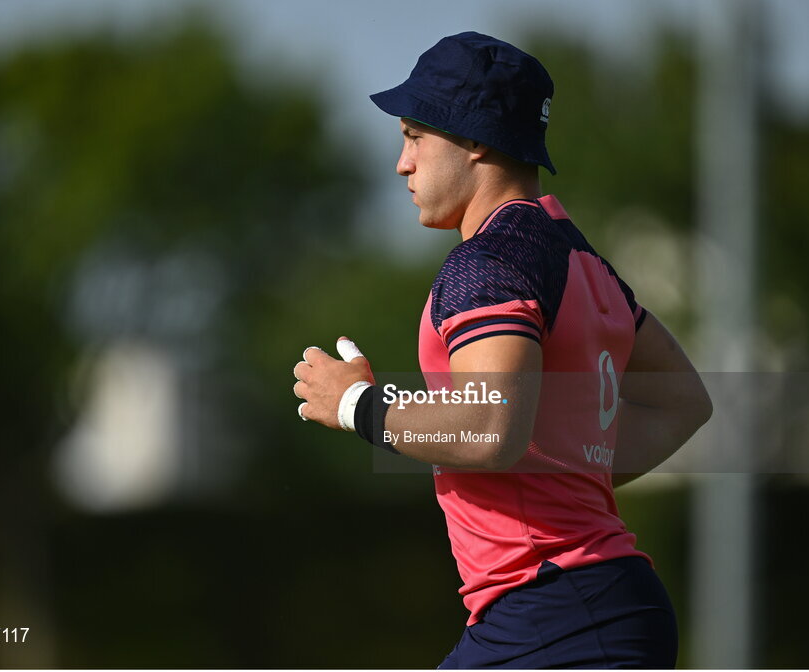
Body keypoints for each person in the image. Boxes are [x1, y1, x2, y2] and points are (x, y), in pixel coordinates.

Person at [292, 31, 712, 669]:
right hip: (590, 605)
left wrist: (356, 404)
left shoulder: (486, 263)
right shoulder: (582, 260)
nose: (402, 163)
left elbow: (490, 427)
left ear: (476, 139)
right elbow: (683, 402)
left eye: (414, 136)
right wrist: (571, 473)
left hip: (557, 613)